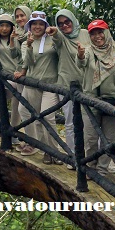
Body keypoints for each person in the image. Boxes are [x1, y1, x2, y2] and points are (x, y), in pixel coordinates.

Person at [76, 19, 115, 174]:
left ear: (107, 32)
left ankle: (102, 170)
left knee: (109, 139)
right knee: (90, 138)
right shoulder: (87, 51)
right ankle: (90, 167)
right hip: (90, 99)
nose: (97, 36)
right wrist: (79, 55)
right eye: (93, 34)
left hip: (112, 101)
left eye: (100, 32)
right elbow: (81, 63)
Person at [14, 11, 62, 163]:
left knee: (48, 116)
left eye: (41, 24)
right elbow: (28, 63)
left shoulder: (52, 40)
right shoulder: (25, 43)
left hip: (50, 85)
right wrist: (28, 46)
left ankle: (56, 152)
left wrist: (56, 34)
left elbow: (62, 47)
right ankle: (46, 151)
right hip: (33, 83)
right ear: (30, 25)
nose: (37, 27)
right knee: (37, 118)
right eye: (34, 24)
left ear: (45, 25)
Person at [51, 9, 91, 161]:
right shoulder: (60, 37)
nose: (64, 25)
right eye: (60, 23)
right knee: (70, 121)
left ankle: (92, 156)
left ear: (73, 20)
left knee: (91, 123)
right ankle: (72, 155)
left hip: (87, 85)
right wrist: (54, 31)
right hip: (66, 84)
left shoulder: (85, 33)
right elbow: (55, 38)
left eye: (67, 21)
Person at [0, 13, 22, 141]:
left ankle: (12, 130)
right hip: (1, 74)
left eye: (7, 26)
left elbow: (15, 54)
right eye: (2, 26)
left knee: (16, 103)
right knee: (10, 96)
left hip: (14, 73)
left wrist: (12, 40)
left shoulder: (15, 38)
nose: (4, 29)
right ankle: (10, 132)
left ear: (12, 27)